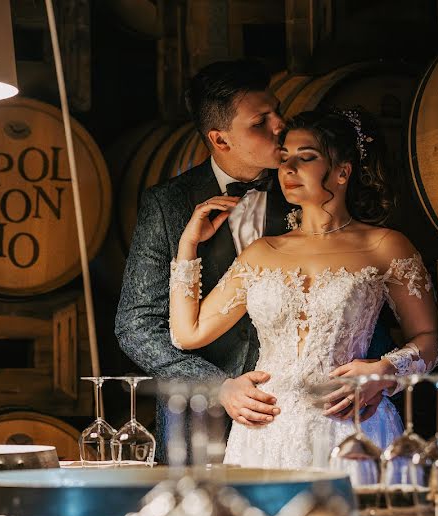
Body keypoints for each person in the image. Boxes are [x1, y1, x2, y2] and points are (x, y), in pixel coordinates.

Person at [115, 59, 394, 463]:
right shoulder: (169, 204)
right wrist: (217, 385)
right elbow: (137, 324)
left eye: (277, 110)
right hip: (202, 420)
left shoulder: (316, 189)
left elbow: (360, 295)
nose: (280, 125)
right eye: (260, 121)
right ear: (221, 139)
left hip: (324, 417)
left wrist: (376, 378)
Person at [167, 108, 438, 469]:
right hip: (264, 432)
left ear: (342, 171)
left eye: (305, 158)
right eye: (283, 159)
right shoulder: (262, 253)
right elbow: (188, 334)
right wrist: (188, 245)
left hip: (348, 426)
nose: (288, 169)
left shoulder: (386, 246)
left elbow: (428, 340)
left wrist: (385, 371)